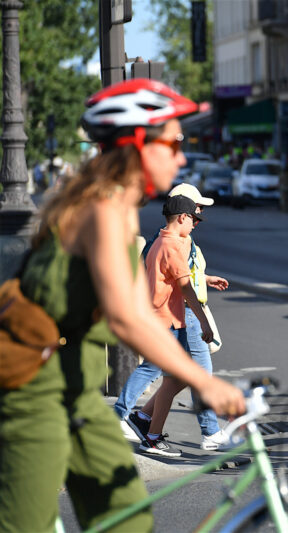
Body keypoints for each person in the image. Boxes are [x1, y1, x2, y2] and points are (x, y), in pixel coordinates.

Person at [0, 79, 245, 532]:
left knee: (126, 522)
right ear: (138, 144)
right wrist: (203, 382)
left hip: (76, 393)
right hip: (30, 394)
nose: (182, 155)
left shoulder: (114, 206)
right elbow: (127, 317)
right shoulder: (103, 209)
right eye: (172, 142)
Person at [116, 185, 242, 456]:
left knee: (176, 376)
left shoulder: (168, 241)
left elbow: (181, 275)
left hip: (171, 317)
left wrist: (206, 280)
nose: (198, 220)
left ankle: (148, 430)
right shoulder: (173, 243)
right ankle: (208, 432)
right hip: (171, 317)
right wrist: (204, 321)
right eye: (196, 214)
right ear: (182, 215)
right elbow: (183, 285)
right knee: (184, 372)